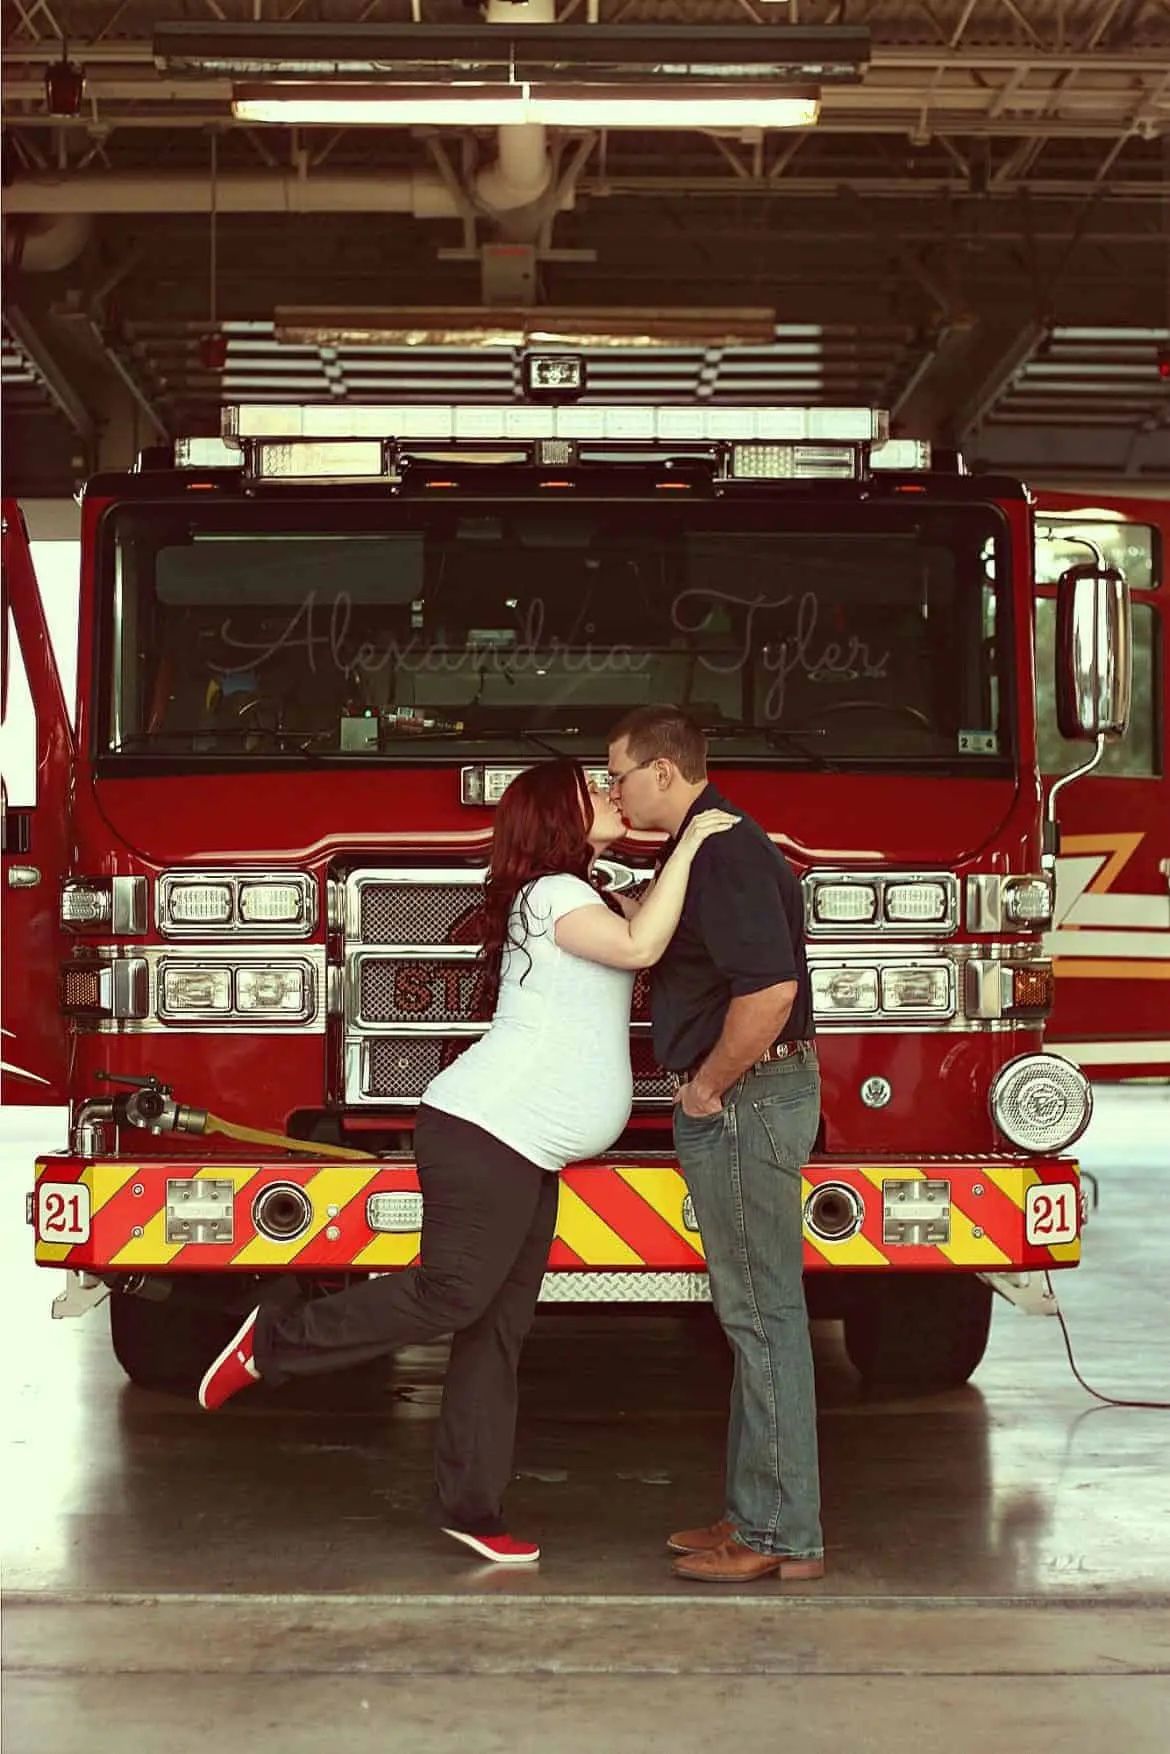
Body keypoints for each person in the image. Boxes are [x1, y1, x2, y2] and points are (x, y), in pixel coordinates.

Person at [197, 758, 736, 1566]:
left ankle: (471, 1506)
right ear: (560, 817)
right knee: (454, 1293)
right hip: (487, 1131)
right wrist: (690, 843)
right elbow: (639, 942)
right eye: (592, 790)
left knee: (497, 1327)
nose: (608, 794)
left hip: (526, 1144)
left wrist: (676, 855)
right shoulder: (555, 896)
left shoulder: (577, 892)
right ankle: (272, 1345)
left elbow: (653, 923)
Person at [606, 706, 824, 1584]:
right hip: (753, 1094)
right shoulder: (704, 844)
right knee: (751, 1316)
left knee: (763, 1316)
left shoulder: (724, 849)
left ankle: (780, 1539)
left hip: (745, 1096)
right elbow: (686, 945)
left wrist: (707, 1087)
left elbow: (769, 992)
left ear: (664, 771)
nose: (611, 791)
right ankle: (757, 1511)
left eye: (617, 774)